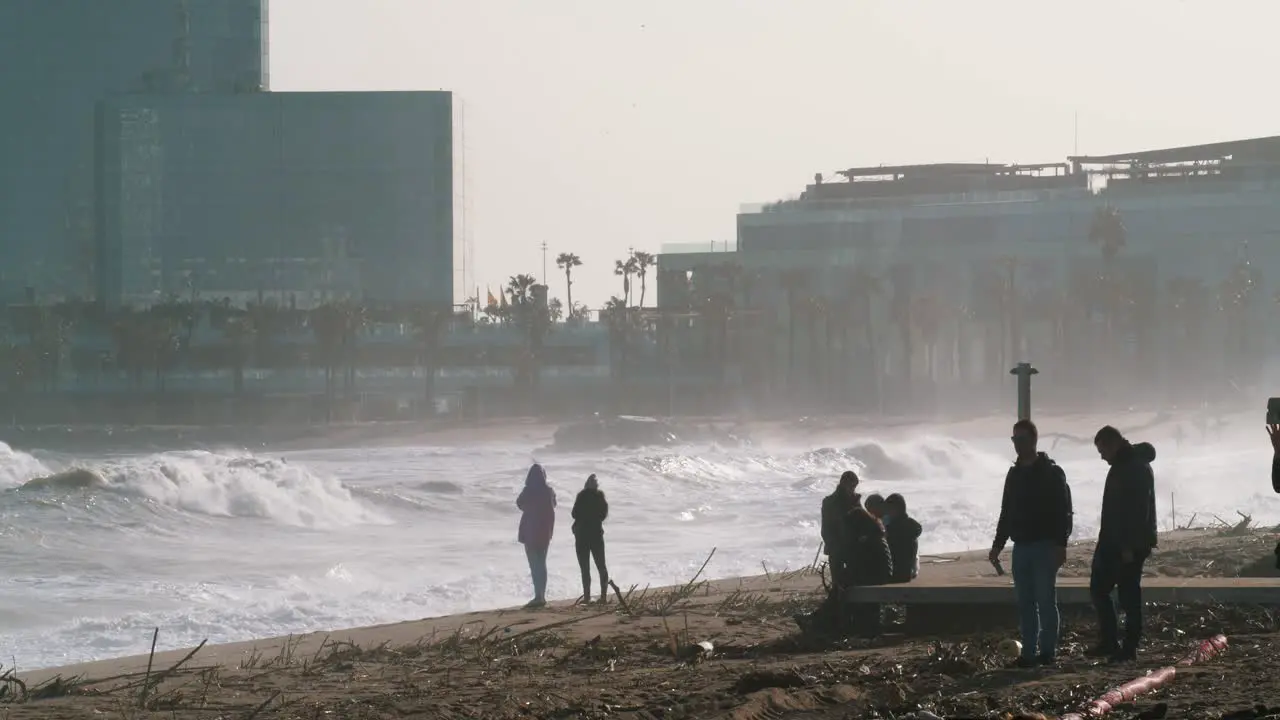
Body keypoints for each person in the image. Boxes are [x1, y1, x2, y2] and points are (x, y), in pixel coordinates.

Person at [989, 419, 1073, 668]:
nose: (1017, 445)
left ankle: (1047, 652)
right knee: (1025, 602)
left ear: (1034, 440)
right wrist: (997, 545)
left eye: (1022, 440)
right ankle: (1028, 654)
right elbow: (1006, 512)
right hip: (1021, 546)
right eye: (1014, 440)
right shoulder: (1014, 474)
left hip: (1045, 545)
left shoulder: (1051, 472)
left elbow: (1064, 510)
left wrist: (1061, 544)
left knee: (1045, 600)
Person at [1089, 426, 1157, 663]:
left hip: (1130, 544)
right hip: (1110, 539)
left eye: (1102, 450)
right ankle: (1109, 641)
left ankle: (1129, 647)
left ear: (1114, 444)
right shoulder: (1119, 465)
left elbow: (1140, 511)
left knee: (1129, 596)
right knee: (1098, 589)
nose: (1101, 456)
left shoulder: (1136, 467)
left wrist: (1129, 546)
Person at [517, 463, 557, 608]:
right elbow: (554, 504)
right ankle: (542, 596)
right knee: (542, 563)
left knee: (534, 565)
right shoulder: (549, 491)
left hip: (530, 532)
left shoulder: (528, 491)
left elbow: (519, 504)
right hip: (545, 532)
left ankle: (538, 596)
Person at [571, 473, 610, 604]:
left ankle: (587, 597)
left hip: (582, 535)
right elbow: (603, 514)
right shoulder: (600, 496)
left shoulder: (581, 496)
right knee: (601, 565)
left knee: (585, 568)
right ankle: (603, 596)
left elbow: (574, 514)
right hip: (596, 535)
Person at [820, 471, 859, 583]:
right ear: (843, 483)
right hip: (836, 544)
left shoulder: (854, 499)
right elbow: (826, 526)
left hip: (851, 544)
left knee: (851, 578)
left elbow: (860, 521)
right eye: (851, 486)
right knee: (838, 580)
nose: (853, 489)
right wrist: (831, 542)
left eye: (854, 487)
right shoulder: (830, 501)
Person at [883, 493, 922, 583]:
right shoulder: (910, 525)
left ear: (895, 509)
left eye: (888, 510)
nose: (886, 513)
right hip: (906, 573)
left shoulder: (895, 528)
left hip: (896, 574)